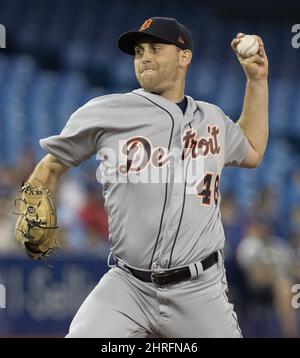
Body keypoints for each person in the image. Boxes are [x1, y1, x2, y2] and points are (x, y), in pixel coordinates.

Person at [16, 17, 269, 337]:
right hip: (128, 284)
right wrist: (37, 189)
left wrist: (256, 81)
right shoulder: (107, 111)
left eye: (155, 48)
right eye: (138, 51)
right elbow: (51, 165)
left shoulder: (213, 119)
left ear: (184, 57)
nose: (144, 56)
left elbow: (254, 150)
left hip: (199, 290)